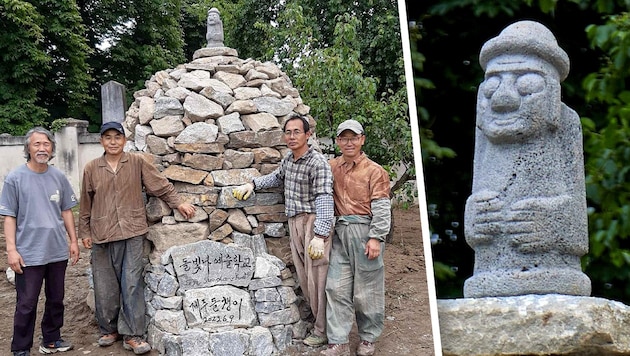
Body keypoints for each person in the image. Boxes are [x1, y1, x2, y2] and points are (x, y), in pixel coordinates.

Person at [79, 121, 195, 355]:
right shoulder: (91, 168)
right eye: (108, 137)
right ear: (101, 141)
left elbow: (159, 186)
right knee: (105, 285)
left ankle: (133, 334)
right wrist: (85, 232)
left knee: (131, 283)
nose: (113, 142)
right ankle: (108, 329)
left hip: (132, 231)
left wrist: (179, 202)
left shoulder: (136, 162)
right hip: (102, 232)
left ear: (124, 140)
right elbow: (85, 203)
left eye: (117, 137)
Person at [232, 115, 334, 347]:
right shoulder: (290, 160)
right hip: (295, 221)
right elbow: (277, 178)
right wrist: (252, 184)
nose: (291, 136)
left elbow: (325, 198)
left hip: (313, 223)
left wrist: (320, 235)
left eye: (297, 131)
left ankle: (324, 330)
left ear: (308, 135)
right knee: (305, 277)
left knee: (318, 277)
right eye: (288, 132)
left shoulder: (317, 163)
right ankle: (320, 324)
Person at [0, 127, 80, 356]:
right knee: (26, 303)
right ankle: (21, 347)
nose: (42, 148)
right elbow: (9, 216)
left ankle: (51, 339)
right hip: (28, 253)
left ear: (52, 148)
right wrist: (11, 250)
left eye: (46, 144)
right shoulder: (15, 178)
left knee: (56, 299)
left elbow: (66, 211)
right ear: (28, 148)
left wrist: (73, 241)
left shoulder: (59, 177)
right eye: (37, 144)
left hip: (56, 250)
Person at [321, 120, 391, 356]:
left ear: (362, 139)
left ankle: (368, 338)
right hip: (339, 232)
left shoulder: (374, 171)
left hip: (364, 232)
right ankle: (339, 341)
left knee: (367, 288)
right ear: (338, 141)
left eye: (353, 138)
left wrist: (376, 237)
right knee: (335, 287)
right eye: (344, 138)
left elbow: (382, 207)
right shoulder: (330, 167)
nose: (348, 142)